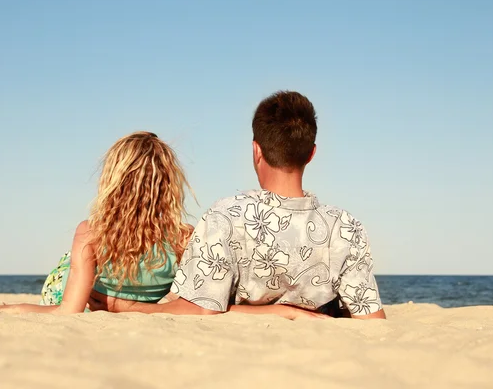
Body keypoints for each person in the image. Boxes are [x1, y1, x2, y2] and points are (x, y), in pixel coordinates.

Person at [90, 92, 386, 319]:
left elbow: (200, 310)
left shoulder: (226, 216)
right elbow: (372, 319)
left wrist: (126, 307)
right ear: (311, 154)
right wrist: (289, 311)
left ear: (256, 150)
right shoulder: (346, 227)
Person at [0, 131, 319, 319]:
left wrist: (16, 307)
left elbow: (68, 310)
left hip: (83, 294)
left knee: (70, 262)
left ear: (113, 180)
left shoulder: (91, 233)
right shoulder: (183, 239)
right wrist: (281, 310)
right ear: (168, 183)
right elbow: (203, 304)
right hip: (142, 305)